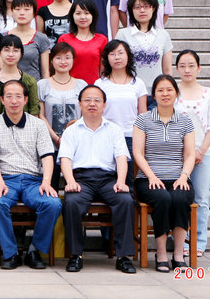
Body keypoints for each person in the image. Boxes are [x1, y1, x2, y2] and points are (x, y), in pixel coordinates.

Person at [0, 79, 61, 270]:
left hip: (33, 181)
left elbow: (47, 156)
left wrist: (46, 181)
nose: (14, 101)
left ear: (26, 99)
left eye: (18, 96)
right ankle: (11, 253)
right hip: (6, 179)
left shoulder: (38, 125)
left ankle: (35, 250)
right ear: (2, 99)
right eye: (9, 96)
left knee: (53, 204)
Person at [59, 85, 136, 274]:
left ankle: (123, 257)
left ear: (104, 105)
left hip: (108, 179)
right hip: (81, 179)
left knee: (125, 200)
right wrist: (70, 181)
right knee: (72, 202)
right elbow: (65, 159)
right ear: (80, 104)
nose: (92, 104)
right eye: (87, 100)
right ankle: (75, 255)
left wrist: (121, 181)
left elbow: (121, 158)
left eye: (96, 100)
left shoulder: (114, 129)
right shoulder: (71, 130)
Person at [133, 74, 196, 272]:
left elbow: (190, 154)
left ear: (176, 94)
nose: (165, 94)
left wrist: (184, 176)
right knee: (162, 198)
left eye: (169, 90)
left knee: (180, 198)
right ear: (154, 95)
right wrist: (151, 176)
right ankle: (160, 253)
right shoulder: (143, 120)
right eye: (160, 90)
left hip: (178, 177)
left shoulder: (185, 121)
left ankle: (178, 254)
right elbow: (138, 152)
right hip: (148, 179)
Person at [175, 50, 210, 258]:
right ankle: (179, 241)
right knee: (178, 197)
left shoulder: (208, 93)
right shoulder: (173, 92)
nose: (187, 70)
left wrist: (200, 151)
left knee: (201, 198)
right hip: (177, 155)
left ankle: (199, 242)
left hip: (202, 153)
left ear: (199, 68)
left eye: (191, 65)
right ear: (176, 69)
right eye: (182, 66)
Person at [37, 42, 88, 187]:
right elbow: (40, 115)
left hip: (76, 143)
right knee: (50, 186)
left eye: (67, 57)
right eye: (58, 58)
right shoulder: (42, 85)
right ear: (51, 61)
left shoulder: (81, 85)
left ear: (73, 60)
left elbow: (85, 115)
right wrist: (56, 138)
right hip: (49, 143)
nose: (63, 61)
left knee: (75, 186)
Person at [95, 40, 147, 178]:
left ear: (128, 56)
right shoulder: (100, 83)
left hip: (131, 137)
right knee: (107, 178)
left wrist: (142, 139)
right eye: (112, 54)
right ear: (106, 58)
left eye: (120, 53)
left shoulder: (138, 83)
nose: (117, 57)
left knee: (128, 179)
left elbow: (143, 115)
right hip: (106, 136)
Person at [116, 0, 174, 98]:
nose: (142, 10)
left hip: (156, 94)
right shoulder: (122, 34)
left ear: (153, 8)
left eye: (146, 6)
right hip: (131, 93)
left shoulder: (163, 35)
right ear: (131, 10)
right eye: (137, 7)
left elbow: (167, 70)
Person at [0, 35, 40, 118]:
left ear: (21, 54)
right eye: (6, 50)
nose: (11, 54)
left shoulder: (29, 81)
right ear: (0, 53)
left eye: (15, 51)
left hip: (24, 125)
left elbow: (34, 111)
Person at [58, 0, 108, 85]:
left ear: (93, 15)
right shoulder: (64, 39)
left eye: (86, 13)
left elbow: (103, 69)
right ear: (72, 16)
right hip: (69, 87)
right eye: (78, 13)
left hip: (94, 87)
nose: (82, 17)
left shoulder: (102, 40)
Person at [6, 0, 51, 81]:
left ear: (34, 13)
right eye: (17, 9)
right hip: (9, 85)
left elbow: (45, 72)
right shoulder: (4, 37)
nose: (22, 13)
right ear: (12, 12)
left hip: (34, 84)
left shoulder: (41, 38)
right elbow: (1, 68)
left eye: (26, 9)